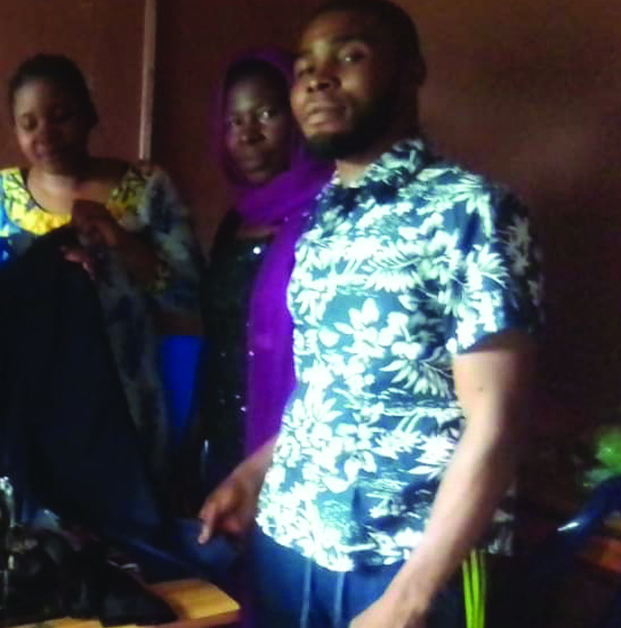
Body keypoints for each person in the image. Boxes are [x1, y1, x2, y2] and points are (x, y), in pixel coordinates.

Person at [198, 2, 541, 627]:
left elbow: (496, 424)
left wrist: (409, 599)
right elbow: (328, 389)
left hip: (408, 564)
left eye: (348, 57)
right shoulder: (319, 221)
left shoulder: (472, 211)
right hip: (292, 542)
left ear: (411, 72)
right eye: (305, 69)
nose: (318, 79)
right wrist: (255, 472)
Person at [0, 53, 202, 482]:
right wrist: (48, 273)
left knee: (129, 534)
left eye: (62, 115)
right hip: (36, 402)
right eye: (29, 123)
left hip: (128, 398)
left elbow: (188, 294)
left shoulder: (149, 189)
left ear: (91, 114)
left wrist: (121, 242)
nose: (47, 134)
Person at [191, 48, 332, 492]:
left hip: (296, 444)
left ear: (297, 118)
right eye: (233, 122)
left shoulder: (327, 215)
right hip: (226, 434)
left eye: (266, 113)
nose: (248, 135)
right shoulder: (235, 222)